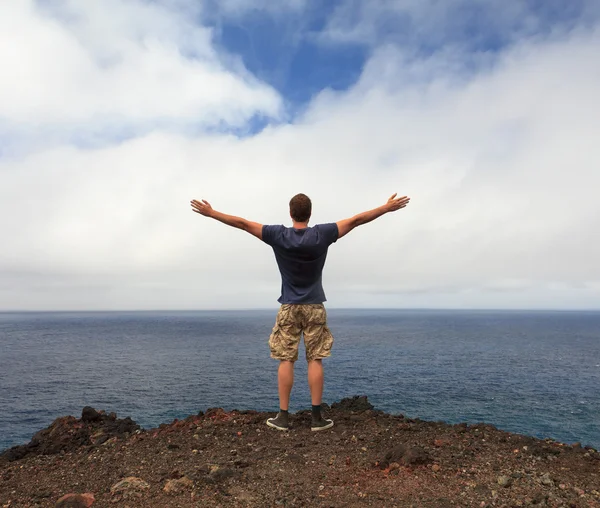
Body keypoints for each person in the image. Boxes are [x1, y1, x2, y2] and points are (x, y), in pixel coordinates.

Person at [190, 192, 410, 431]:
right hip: (315, 306)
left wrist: (212, 213)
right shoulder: (322, 234)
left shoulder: (278, 235)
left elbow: (243, 224)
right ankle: (317, 419)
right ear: (310, 213)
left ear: (290, 213)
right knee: (315, 359)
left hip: (289, 307)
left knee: (286, 359)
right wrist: (386, 208)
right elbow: (357, 220)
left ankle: (283, 418)